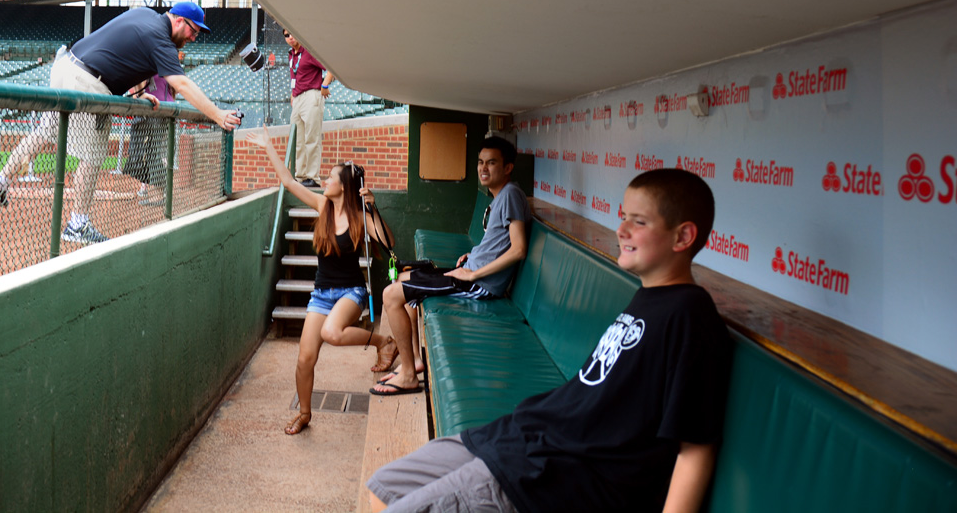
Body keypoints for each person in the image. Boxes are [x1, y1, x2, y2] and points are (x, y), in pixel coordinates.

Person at [366, 168, 732, 513]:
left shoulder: (690, 315)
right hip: (521, 435)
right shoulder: (647, 297)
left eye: (639, 221)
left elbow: (694, 448)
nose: (621, 230)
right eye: (623, 216)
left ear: (683, 236)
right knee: (380, 487)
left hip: (552, 474)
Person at [0, 2, 241, 243]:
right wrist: (217, 114)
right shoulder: (162, 39)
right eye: (194, 31)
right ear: (180, 21)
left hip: (66, 67)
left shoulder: (144, 14)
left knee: (46, 131)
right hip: (88, 81)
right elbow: (181, 84)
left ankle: (1, 180)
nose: (194, 38)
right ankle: (78, 224)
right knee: (93, 153)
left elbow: (122, 53)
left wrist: (138, 92)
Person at [245, 127, 396, 436]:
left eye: (331, 178)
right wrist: (268, 146)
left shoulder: (359, 215)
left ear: (345, 187)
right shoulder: (322, 206)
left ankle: (383, 341)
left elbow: (387, 242)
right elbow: (287, 181)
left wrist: (373, 207)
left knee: (332, 332)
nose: (325, 181)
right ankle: (304, 413)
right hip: (321, 294)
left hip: (351, 292)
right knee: (304, 359)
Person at [371, 136, 527, 396]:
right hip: (472, 274)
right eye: (480, 162)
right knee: (402, 279)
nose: (483, 168)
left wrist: (474, 272)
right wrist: (473, 254)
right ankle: (416, 361)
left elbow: (519, 248)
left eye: (492, 163)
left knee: (390, 294)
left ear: (508, 167)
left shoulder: (510, 194)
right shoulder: (500, 196)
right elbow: (498, 243)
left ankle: (408, 375)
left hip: (479, 284)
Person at [283, 28, 333, 189]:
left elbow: (331, 67)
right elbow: (295, 76)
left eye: (292, 33)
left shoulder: (309, 52)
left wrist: (325, 84)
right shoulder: (292, 54)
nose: (290, 38)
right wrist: (293, 94)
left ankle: (313, 177)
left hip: (312, 95)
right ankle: (301, 175)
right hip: (297, 98)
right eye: (286, 35)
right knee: (298, 139)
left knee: (312, 138)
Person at [122, 75, 169, 206]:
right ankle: (160, 191)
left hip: (151, 108)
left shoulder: (154, 60)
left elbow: (139, 76)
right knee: (154, 154)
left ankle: (158, 194)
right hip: (164, 110)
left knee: (144, 156)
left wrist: (139, 96)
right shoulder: (168, 65)